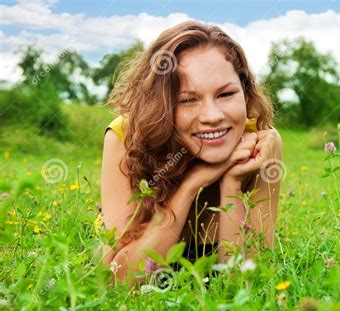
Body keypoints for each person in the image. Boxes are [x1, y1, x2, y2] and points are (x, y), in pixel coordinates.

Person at [99, 20, 282, 283]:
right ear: (160, 105)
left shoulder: (261, 143)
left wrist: (231, 184)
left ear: (245, 90)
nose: (212, 116)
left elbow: (249, 281)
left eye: (226, 94)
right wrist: (192, 184)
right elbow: (121, 281)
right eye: (187, 100)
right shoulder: (126, 138)